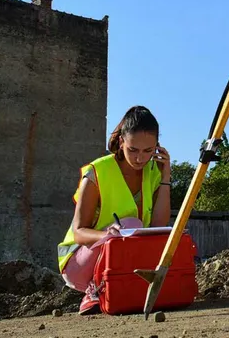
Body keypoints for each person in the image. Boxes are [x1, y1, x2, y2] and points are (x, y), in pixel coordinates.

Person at [56, 105, 172, 314]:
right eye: (133, 150)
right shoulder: (97, 171)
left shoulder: (154, 172)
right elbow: (79, 232)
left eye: (148, 151)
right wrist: (107, 237)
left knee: (161, 237)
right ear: (121, 142)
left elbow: (158, 226)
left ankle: (120, 288)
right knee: (130, 225)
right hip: (79, 262)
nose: (140, 159)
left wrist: (165, 179)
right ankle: (93, 291)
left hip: (120, 258)